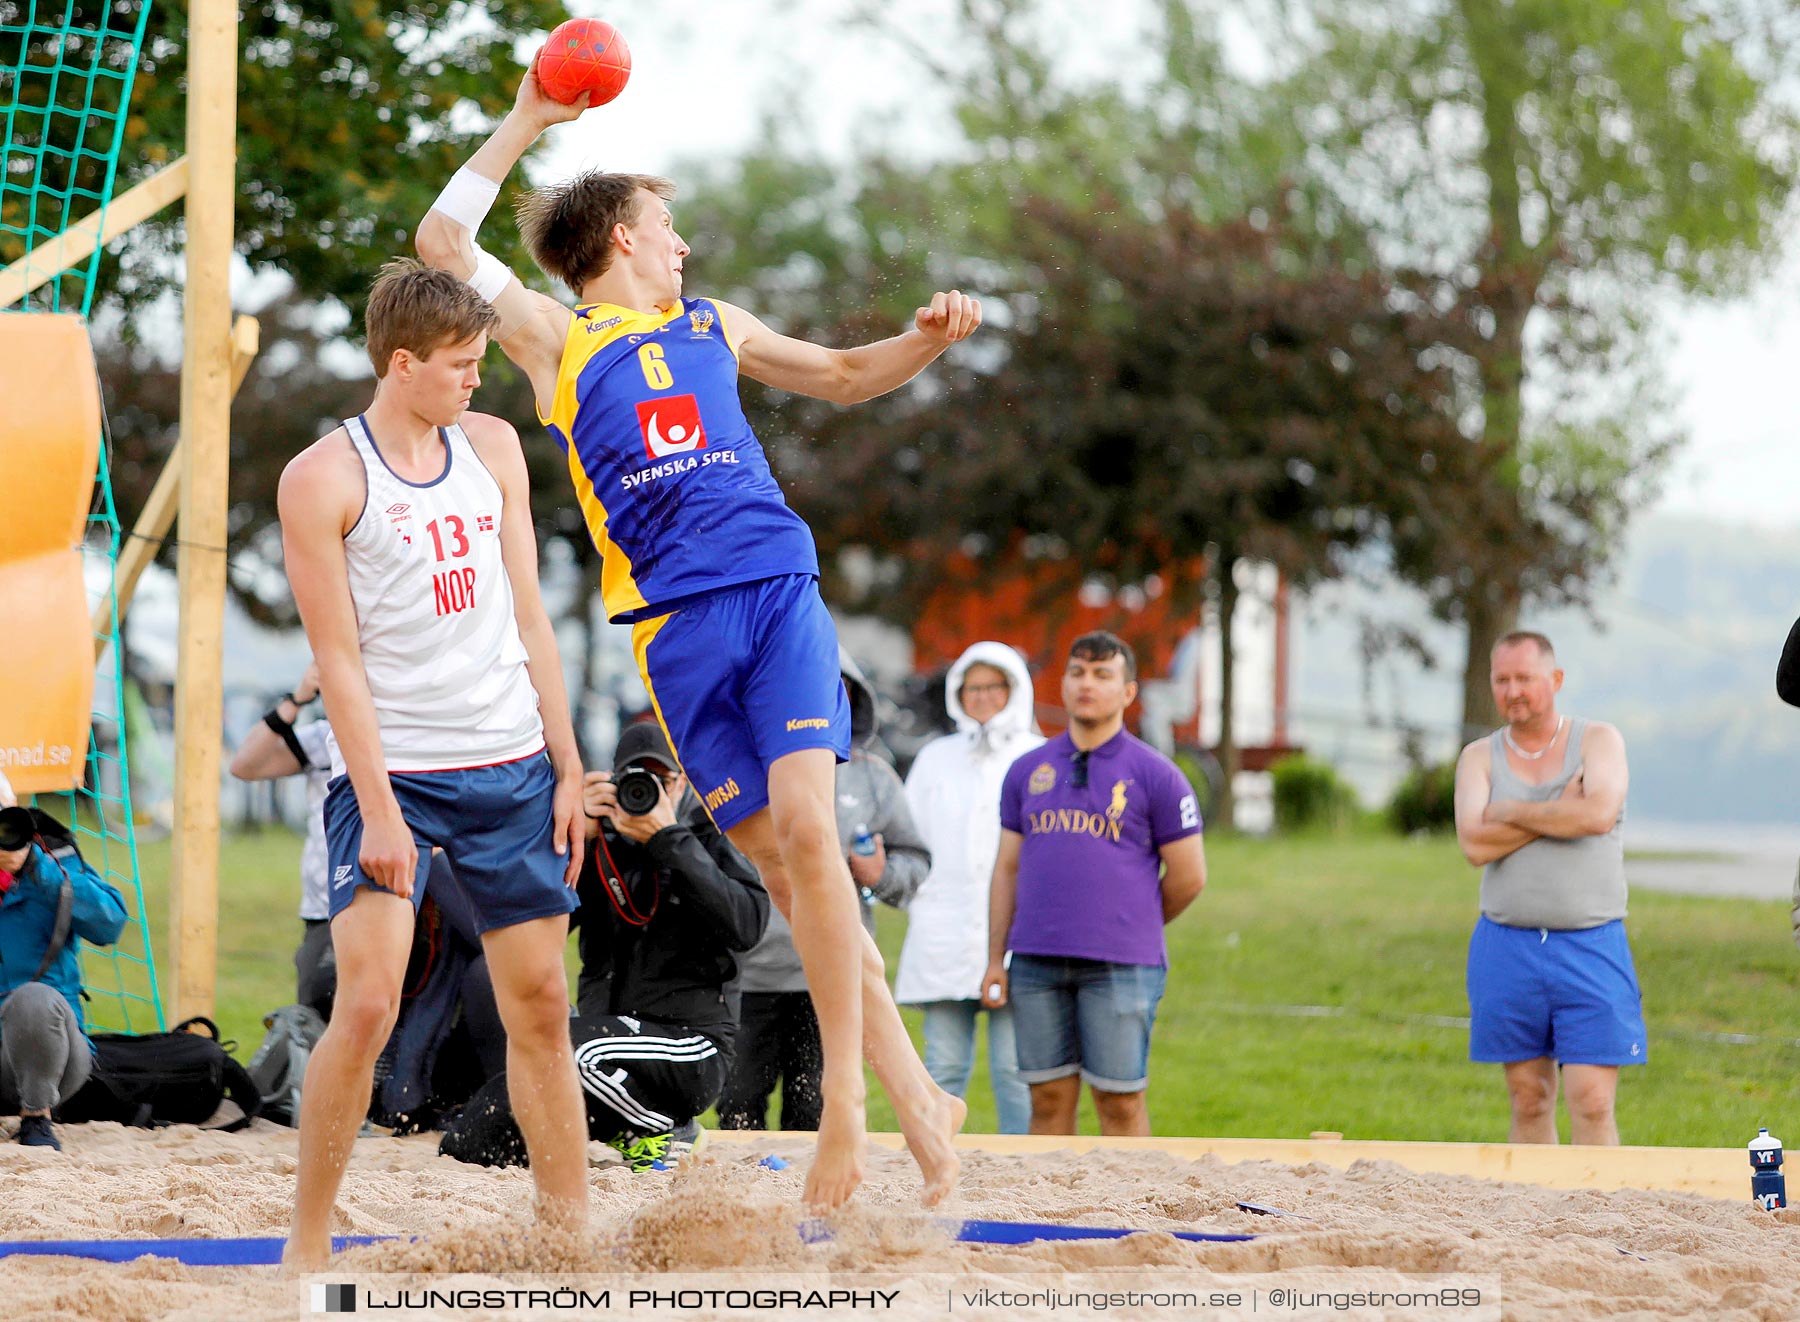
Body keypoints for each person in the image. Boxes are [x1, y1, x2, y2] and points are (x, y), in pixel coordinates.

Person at [412, 71, 978, 1209]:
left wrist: (922, 341)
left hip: (773, 593)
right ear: (623, 235)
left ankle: (848, 1117)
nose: (684, 249)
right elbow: (437, 235)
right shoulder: (555, 340)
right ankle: (924, 1099)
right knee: (787, 864)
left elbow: (844, 375)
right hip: (675, 634)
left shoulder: (717, 326)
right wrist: (531, 114)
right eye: (669, 231)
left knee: (814, 836)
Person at [277, 260, 589, 1270]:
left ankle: (566, 1233)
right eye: (460, 364)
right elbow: (338, 660)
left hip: (508, 760)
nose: (478, 378)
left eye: (483, 358)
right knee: (365, 999)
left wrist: (571, 763)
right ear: (401, 362)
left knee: (540, 1005)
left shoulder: (494, 446)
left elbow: (531, 617)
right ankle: (309, 1238)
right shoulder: (324, 475)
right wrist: (376, 809)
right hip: (393, 769)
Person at [441, 721, 770, 1172]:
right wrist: (570, 837)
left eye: (661, 780)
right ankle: (621, 1129)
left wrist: (669, 840)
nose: (647, 791)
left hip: (690, 1048)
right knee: (472, 1137)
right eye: (635, 779)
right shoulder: (599, 847)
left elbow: (748, 926)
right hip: (604, 1053)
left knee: (567, 1051)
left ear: (681, 783)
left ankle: (662, 1130)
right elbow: (529, 929)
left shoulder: (709, 837)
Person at [982, 631, 1207, 1136]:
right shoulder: (1026, 771)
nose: (1088, 684)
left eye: (1103, 674)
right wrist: (996, 958)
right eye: (1078, 672)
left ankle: (1129, 1215)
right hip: (1036, 963)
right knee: (1046, 1101)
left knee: (1120, 1104)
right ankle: (1048, 1213)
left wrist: (1135, 919)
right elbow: (1008, 869)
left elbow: (1190, 876)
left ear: (1128, 692)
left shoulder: (1158, 776)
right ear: (1062, 684)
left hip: (1122, 967)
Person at [718, 650, 929, 1132]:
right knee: (737, 1109)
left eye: (834, 689)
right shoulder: (741, 773)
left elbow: (916, 857)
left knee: (814, 1113)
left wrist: (881, 875)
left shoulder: (873, 777)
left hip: (830, 978)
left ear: (851, 698)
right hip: (747, 977)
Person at [1452, 630, 1640, 1145]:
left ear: (1554, 680)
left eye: (1525, 679)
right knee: (1529, 1098)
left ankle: (1600, 1217)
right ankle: (1534, 1221)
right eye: (1502, 679)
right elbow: (1473, 844)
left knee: (1593, 1100)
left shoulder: (1599, 740)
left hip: (1591, 941)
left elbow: (1599, 814)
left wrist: (1509, 811)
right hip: (1507, 944)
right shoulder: (1479, 757)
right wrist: (1562, 809)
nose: (1513, 690)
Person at [897, 642, 1039, 1135]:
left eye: (992, 687)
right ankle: (935, 1163)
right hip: (945, 929)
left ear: (1014, 689)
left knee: (1016, 1072)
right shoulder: (936, 758)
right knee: (943, 1067)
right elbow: (907, 835)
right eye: (972, 687)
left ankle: (1025, 1174)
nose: (981, 697)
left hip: (1022, 934)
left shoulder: (1039, 757)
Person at [0, 800, 128, 1151]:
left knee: (34, 999)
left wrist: (39, 869)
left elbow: (110, 924)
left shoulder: (53, 857)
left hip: (52, 1056)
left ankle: (36, 1118)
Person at [227, 660, 336, 1017]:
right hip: (327, 911)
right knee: (318, 1019)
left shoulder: (414, 738)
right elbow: (245, 765)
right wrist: (296, 699)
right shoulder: (324, 739)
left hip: (404, 906)